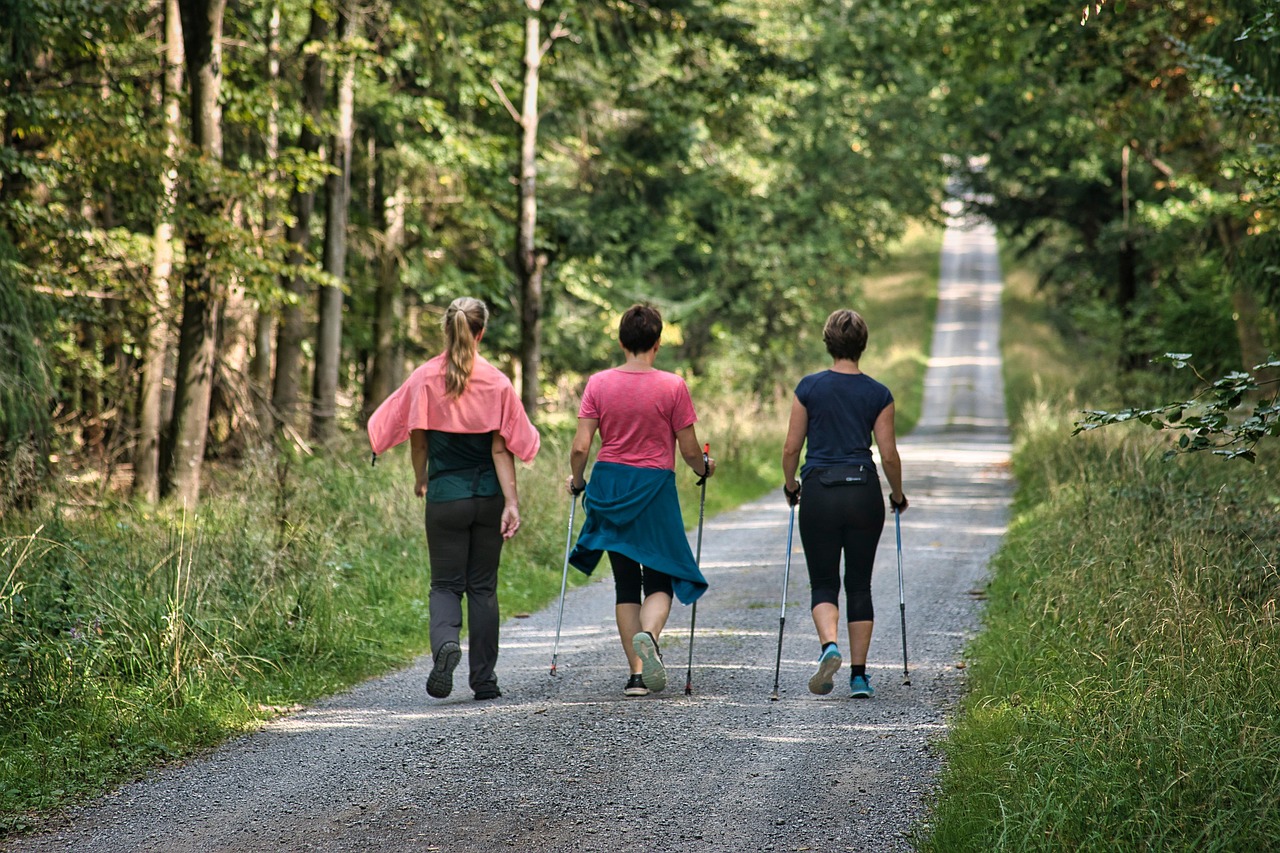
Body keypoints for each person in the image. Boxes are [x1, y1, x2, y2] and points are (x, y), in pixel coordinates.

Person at [367, 297, 540, 701]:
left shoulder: (425, 378)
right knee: (483, 588)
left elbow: (417, 440)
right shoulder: (497, 382)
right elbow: (504, 449)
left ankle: (446, 644)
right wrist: (511, 502)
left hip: (445, 496)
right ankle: (485, 681)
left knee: (445, 585)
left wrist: (420, 478)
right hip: (488, 497)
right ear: (481, 332)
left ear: (447, 329)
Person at [566, 304, 715, 697]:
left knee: (625, 582)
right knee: (661, 576)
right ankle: (648, 636)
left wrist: (578, 481)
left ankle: (636, 676)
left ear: (621, 341)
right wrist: (704, 467)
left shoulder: (598, 384)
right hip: (654, 488)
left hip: (610, 486)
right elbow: (687, 449)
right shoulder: (672, 386)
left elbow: (581, 447)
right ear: (658, 343)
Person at [781, 308, 907, 699]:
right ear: (863, 345)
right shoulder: (878, 393)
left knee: (823, 582)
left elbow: (790, 448)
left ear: (828, 343)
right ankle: (858, 676)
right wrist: (898, 495)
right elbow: (888, 454)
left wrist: (791, 485)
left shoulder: (809, 388)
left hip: (819, 491)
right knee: (859, 584)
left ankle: (829, 647)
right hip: (862, 491)